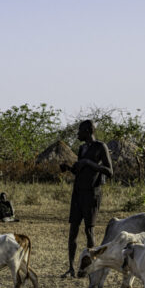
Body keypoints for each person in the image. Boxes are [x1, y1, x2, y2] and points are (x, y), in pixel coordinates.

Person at [60, 119, 113, 279]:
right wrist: (69, 168)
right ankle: (70, 268)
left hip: (92, 193)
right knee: (73, 230)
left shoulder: (100, 147)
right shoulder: (82, 148)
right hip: (78, 193)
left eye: (80, 131)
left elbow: (109, 171)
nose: (77, 134)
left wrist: (89, 163)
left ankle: (92, 268)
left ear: (88, 131)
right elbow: (80, 170)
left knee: (89, 230)